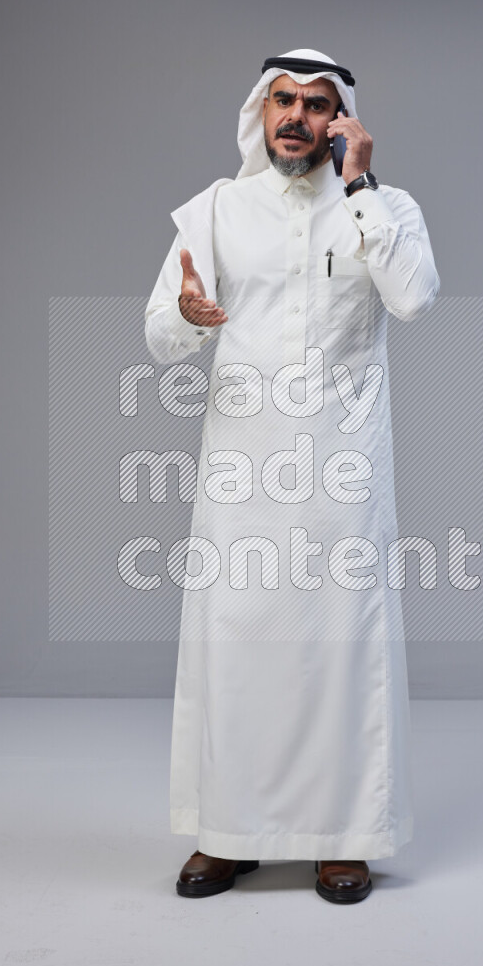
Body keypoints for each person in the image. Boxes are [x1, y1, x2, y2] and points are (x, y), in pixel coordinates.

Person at [144, 48, 440, 904]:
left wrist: (361, 189)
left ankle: (342, 837)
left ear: (341, 119)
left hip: (343, 474)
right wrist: (192, 319)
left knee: (340, 650)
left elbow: (415, 299)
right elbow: (159, 332)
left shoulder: (383, 208)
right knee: (233, 647)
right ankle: (228, 834)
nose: (297, 117)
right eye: (284, 101)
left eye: (317, 104)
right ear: (260, 110)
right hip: (241, 469)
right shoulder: (216, 212)